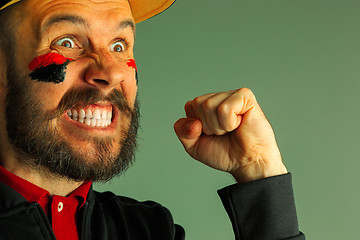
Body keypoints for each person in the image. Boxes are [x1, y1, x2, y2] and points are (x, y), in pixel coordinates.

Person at [0, 0, 305, 239]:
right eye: (67, 42)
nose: (112, 72)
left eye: (120, 45)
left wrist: (259, 173)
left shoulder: (149, 229)